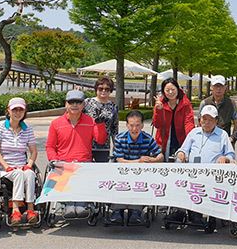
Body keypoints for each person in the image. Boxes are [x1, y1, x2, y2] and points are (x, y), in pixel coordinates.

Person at [46, 89, 107, 218]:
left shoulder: (90, 121)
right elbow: (50, 146)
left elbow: (100, 140)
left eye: (78, 102)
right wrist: (54, 160)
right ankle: (65, 203)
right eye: (71, 102)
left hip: (83, 164)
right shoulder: (56, 123)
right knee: (68, 208)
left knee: (79, 211)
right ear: (66, 104)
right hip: (63, 164)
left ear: (83, 105)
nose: (74, 105)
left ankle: (80, 203)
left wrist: (100, 124)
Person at [172, 105, 235, 225]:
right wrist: (181, 153)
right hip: (191, 172)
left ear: (216, 121)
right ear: (199, 120)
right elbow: (183, 149)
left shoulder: (222, 135)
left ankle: (196, 213)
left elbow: (231, 155)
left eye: (210, 120)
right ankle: (179, 210)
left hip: (211, 175)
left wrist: (225, 158)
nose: (206, 122)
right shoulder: (194, 133)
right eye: (204, 119)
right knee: (178, 172)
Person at [0, 97, 39, 225]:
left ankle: (30, 210)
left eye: (20, 110)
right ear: (8, 110)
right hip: (4, 168)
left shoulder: (27, 128)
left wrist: (29, 165)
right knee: (18, 174)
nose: (18, 113)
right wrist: (6, 166)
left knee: (30, 174)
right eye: (14, 110)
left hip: (22, 166)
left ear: (24, 112)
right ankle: (16, 211)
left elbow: (33, 151)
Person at [109, 110, 163, 225]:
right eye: (131, 125)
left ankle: (136, 211)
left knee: (141, 185)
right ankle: (117, 210)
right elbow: (119, 159)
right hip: (123, 173)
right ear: (127, 125)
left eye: (138, 125)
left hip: (142, 175)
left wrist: (153, 160)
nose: (134, 129)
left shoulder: (148, 139)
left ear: (142, 125)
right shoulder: (119, 138)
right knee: (119, 184)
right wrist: (138, 161)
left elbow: (160, 155)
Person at [153, 78, 195, 160]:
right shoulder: (160, 103)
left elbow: (189, 122)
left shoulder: (185, 103)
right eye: (167, 90)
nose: (170, 92)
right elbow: (157, 124)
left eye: (173, 89)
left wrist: (190, 139)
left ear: (178, 89)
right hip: (163, 140)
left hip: (181, 138)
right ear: (163, 91)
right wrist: (159, 110)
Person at [83, 76, 119, 147]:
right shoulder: (87, 102)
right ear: (96, 89)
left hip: (104, 145)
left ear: (110, 91)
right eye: (100, 88)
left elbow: (114, 129)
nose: (103, 91)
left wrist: (117, 147)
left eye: (107, 89)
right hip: (86, 143)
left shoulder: (113, 107)